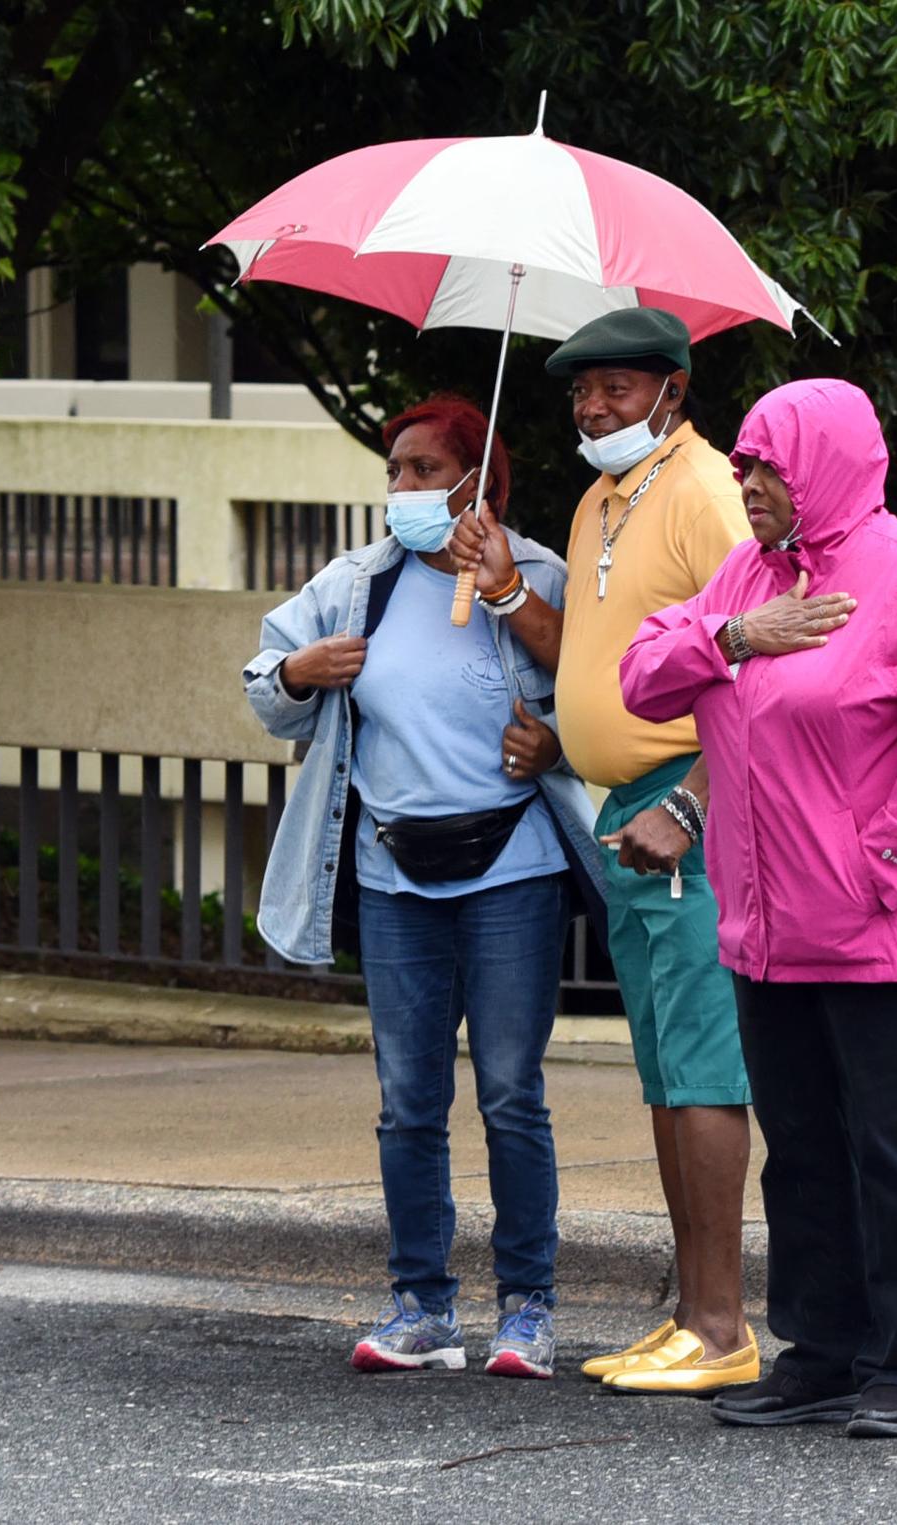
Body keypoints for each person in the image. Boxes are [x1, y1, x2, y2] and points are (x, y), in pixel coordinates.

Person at [454, 312, 853, 1395]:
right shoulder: (601, 499)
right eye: (583, 394)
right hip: (621, 806)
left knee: (707, 1062)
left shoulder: (707, 490)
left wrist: (690, 797)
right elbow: (592, 655)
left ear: (673, 391)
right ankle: (691, 1316)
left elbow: (774, 647)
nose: (594, 409)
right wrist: (502, 590)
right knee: (668, 1068)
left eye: (619, 391)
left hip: (690, 804)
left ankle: (722, 1328)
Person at [619, 378, 897, 1436]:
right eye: (741, 464)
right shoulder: (749, 579)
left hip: (891, 930)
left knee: (885, 1148)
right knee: (798, 1146)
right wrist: (738, 636)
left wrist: (874, 874)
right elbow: (643, 677)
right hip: (769, 929)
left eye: (766, 466)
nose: (746, 483)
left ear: (825, 466)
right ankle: (821, 1351)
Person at [243, 396, 606, 1381]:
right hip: (394, 872)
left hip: (512, 871)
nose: (399, 488)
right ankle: (421, 1307)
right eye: (392, 470)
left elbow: (603, 690)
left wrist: (556, 739)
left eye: (419, 469)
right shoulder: (356, 583)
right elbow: (263, 680)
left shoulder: (536, 575)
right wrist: (304, 671)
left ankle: (527, 1309)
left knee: (510, 1093)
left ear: (478, 482)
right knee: (408, 1099)